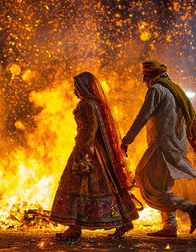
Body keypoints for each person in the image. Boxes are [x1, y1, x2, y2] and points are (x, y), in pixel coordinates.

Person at [50, 72, 139, 241]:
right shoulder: (92, 103)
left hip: (87, 149)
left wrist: (84, 148)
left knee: (80, 185)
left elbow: (92, 127)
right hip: (90, 147)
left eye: (77, 86)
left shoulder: (87, 104)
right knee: (104, 184)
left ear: (85, 87)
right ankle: (124, 221)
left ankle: (75, 227)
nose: (74, 89)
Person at [122, 60, 196, 237]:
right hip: (177, 147)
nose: (145, 83)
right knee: (163, 188)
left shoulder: (156, 90)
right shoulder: (176, 91)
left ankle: (190, 208)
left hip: (162, 146)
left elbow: (143, 116)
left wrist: (127, 140)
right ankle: (170, 225)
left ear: (148, 77)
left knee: (146, 183)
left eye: (144, 79)